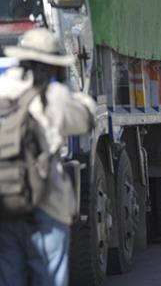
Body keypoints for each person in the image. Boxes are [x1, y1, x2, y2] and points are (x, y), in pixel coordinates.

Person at [0, 28, 95, 286]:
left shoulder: (3, 88)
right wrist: (81, 97)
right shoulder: (52, 96)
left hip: (5, 205)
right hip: (47, 205)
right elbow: (85, 120)